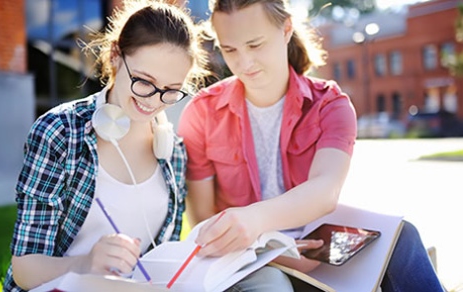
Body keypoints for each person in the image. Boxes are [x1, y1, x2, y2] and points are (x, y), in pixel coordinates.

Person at [177, 0, 445, 291]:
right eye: (230, 49)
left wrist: (256, 219)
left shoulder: (329, 104)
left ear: (286, 30)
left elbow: (325, 191)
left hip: (318, 249)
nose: (244, 63)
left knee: (403, 236)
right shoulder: (202, 112)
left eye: (255, 45)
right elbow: (203, 221)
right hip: (247, 259)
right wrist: (268, 247)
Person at [3, 1, 208, 291]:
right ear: (114, 56)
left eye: (171, 90)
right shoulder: (60, 132)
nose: (152, 100)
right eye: (143, 81)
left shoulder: (171, 150)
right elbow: (25, 270)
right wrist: (85, 263)